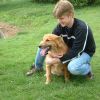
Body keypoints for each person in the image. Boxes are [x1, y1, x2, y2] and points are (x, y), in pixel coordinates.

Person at [26, 0, 96, 79]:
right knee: (44, 44)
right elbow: (51, 42)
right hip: (69, 49)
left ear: (71, 15)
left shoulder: (82, 28)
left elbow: (77, 51)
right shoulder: (60, 27)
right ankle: (37, 67)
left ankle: (87, 69)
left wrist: (55, 60)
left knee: (73, 68)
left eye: (61, 18)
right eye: (57, 18)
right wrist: (49, 56)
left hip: (84, 52)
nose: (59, 21)